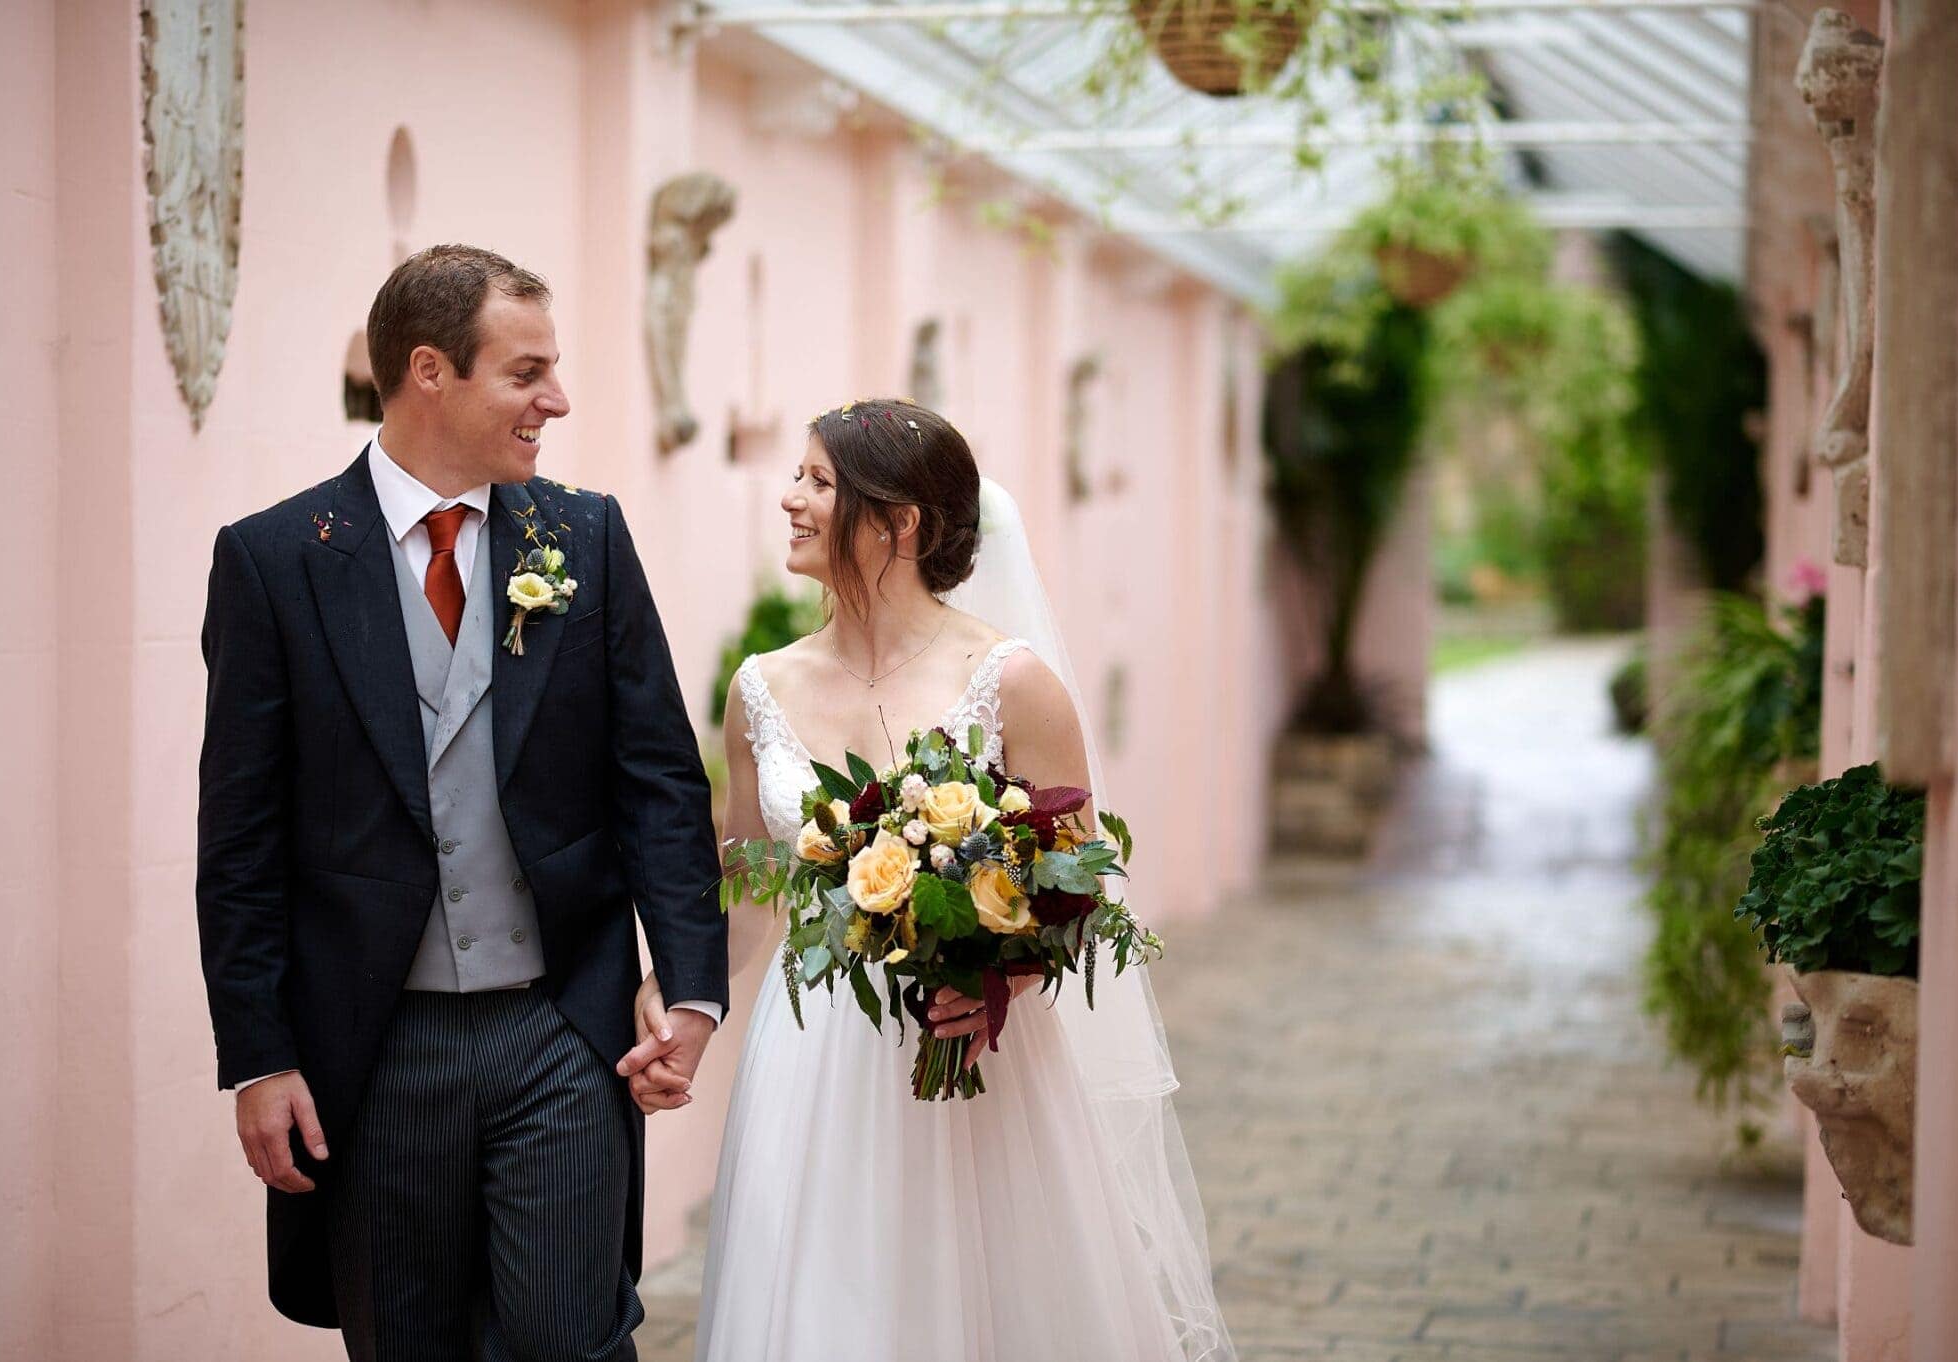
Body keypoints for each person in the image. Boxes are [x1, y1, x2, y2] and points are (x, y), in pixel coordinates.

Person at [195, 244, 726, 1360]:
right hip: (374, 1045)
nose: (557, 400)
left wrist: (691, 987)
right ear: (429, 371)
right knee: (407, 1343)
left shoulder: (582, 537)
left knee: (566, 1340)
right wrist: (259, 1053)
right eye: (526, 372)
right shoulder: (275, 559)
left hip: (560, 1025)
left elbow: (659, 779)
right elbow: (239, 837)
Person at [619, 399, 1234, 1361]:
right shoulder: (759, 689)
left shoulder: (1011, 682)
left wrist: (1006, 970)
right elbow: (750, 888)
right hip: (811, 1064)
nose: (790, 499)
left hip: (977, 1066)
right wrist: (681, 996)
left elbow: (1078, 885)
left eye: (819, 482)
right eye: (797, 475)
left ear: (900, 521)